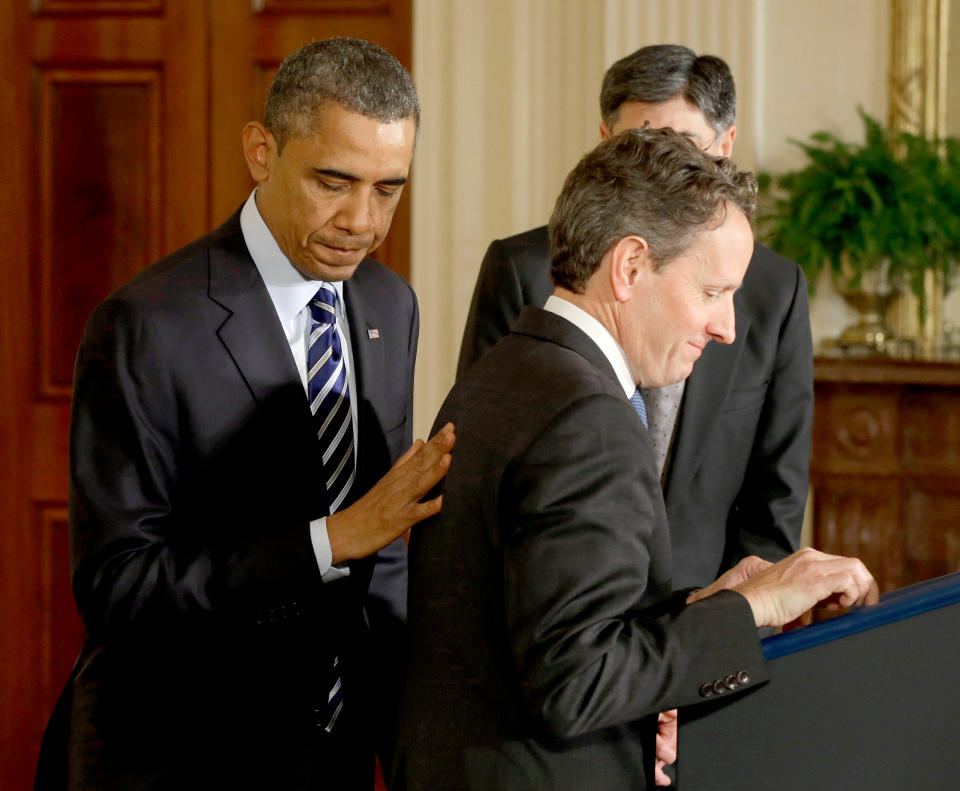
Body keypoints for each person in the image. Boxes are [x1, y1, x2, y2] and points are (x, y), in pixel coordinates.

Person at [394, 127, 877, 791]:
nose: (727, 326)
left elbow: (545, 615)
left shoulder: (510, 369)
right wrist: (754, 609)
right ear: (628, 267)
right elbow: (577, 680)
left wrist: (711, 602)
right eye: (712, 291)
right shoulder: (588, 417)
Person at [34, 38, 454, 790]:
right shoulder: (146, 324)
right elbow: (119, 587)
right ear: (262, 151)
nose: (363, 220)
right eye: (334, 180)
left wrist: (412, 748)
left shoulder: (391, 305)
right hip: (179, 755)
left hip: (335, 755)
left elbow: (385, 557)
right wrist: (329, 539)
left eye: (389, 189)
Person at [457, 44, 813, 590]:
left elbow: (776, 495)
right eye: (640, 148)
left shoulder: (775, 289)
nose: (663, 176)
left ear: (726, 145)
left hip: (706, 615)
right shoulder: (523, 268)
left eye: (686, 153)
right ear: (606, 146)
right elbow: (481, 477)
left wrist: (735, 620)